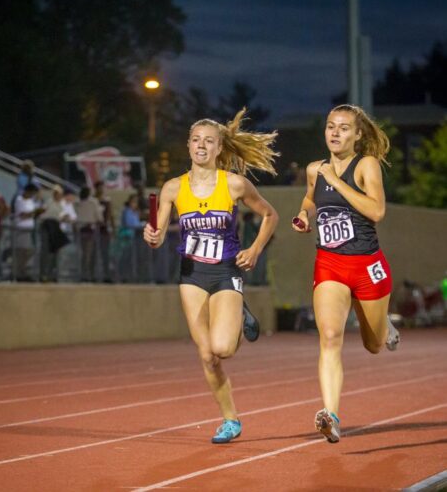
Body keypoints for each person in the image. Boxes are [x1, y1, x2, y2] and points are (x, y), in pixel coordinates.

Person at [143, 108, 279, 443]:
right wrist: (153, 236)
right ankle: (230, 420)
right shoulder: (173, 188)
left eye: (209, 141)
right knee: (207, 356)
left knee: (223, 348)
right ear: (188, 146)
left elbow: (270, 214)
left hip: (225, 272)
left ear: (219, 149)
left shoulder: (233, 184)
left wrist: (256, 249)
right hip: (191, 274)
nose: (201, 146)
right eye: (196, 140)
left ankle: (238, 314)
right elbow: (158, 231)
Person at [291, 104, 400, 444]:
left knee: (373, 344)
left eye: (343, 128)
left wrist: (337, 182)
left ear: (357, 135)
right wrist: (305, 216)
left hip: (368, 266)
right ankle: (332, 416)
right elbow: (310, 200)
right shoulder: (315, 169)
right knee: (330, 336)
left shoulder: (366, 165)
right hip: (331, 264)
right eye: (330, 126)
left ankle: (383, 325)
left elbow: (377, 211)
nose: (335, 133)